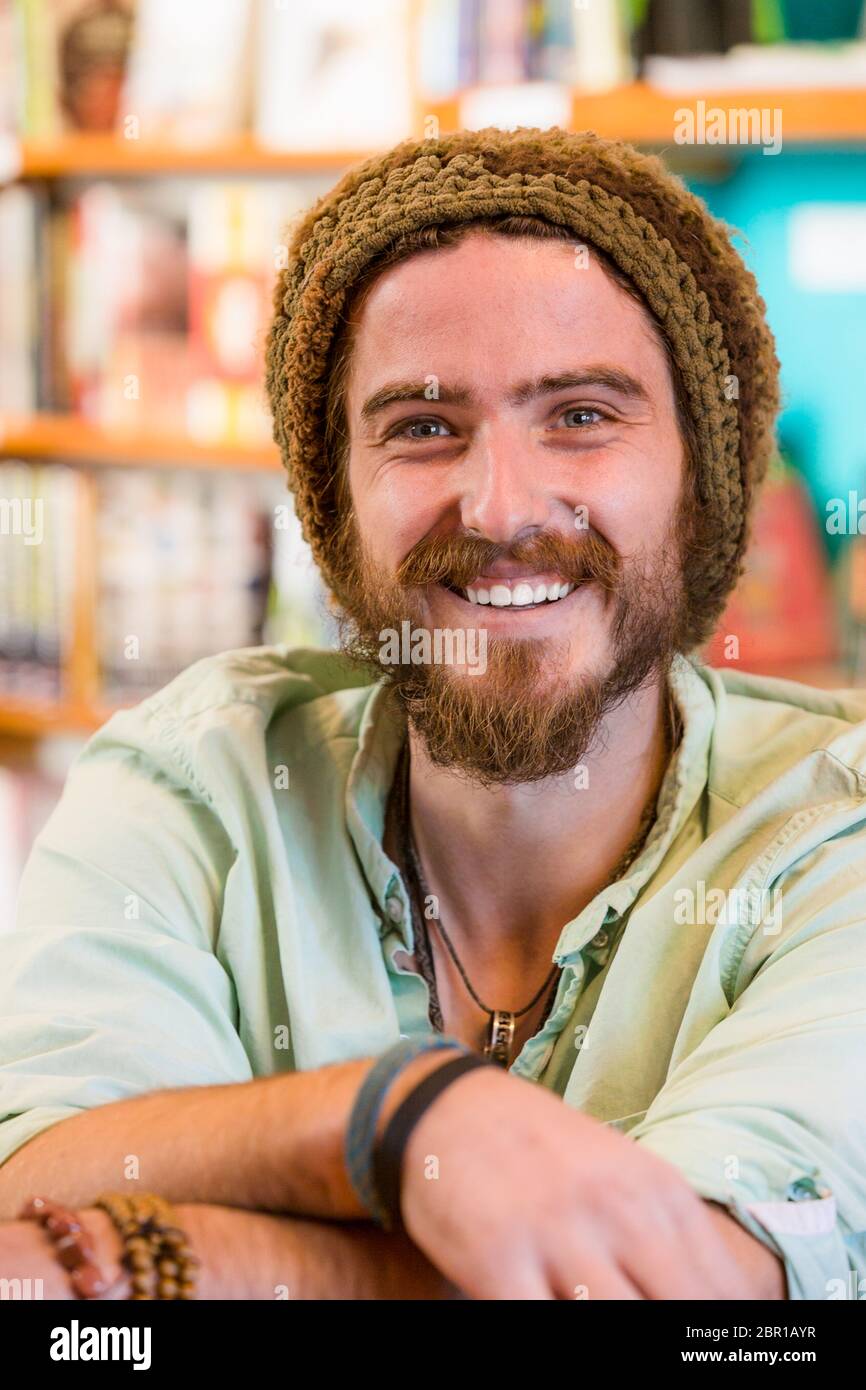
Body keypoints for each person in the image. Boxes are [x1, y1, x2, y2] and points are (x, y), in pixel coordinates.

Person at [1, 126, 864, 1301]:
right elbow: (32, 1201)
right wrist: (387, 1119)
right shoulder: (193, 784)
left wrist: (186, 1251)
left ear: (699, 485)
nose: (502, 505)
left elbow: (692, 1302)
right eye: (420, 426)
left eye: (578, 414)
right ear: (333, 505)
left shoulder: (832, 839)